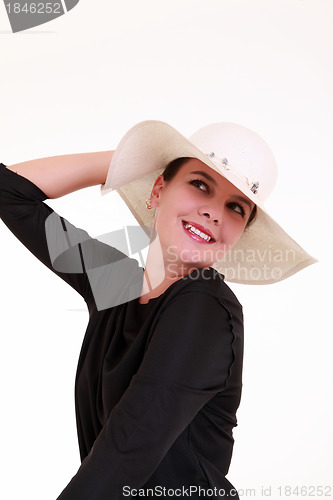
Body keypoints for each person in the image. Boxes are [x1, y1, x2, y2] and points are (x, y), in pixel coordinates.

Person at [0, 120, 316, 499]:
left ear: (238, 233)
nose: (215, 213)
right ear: (158, 189)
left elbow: (129, 445)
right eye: (200, 184)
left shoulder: (205, 306)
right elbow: (10, 191)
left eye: (236, 208)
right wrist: (133, 160)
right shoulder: (115, 284)